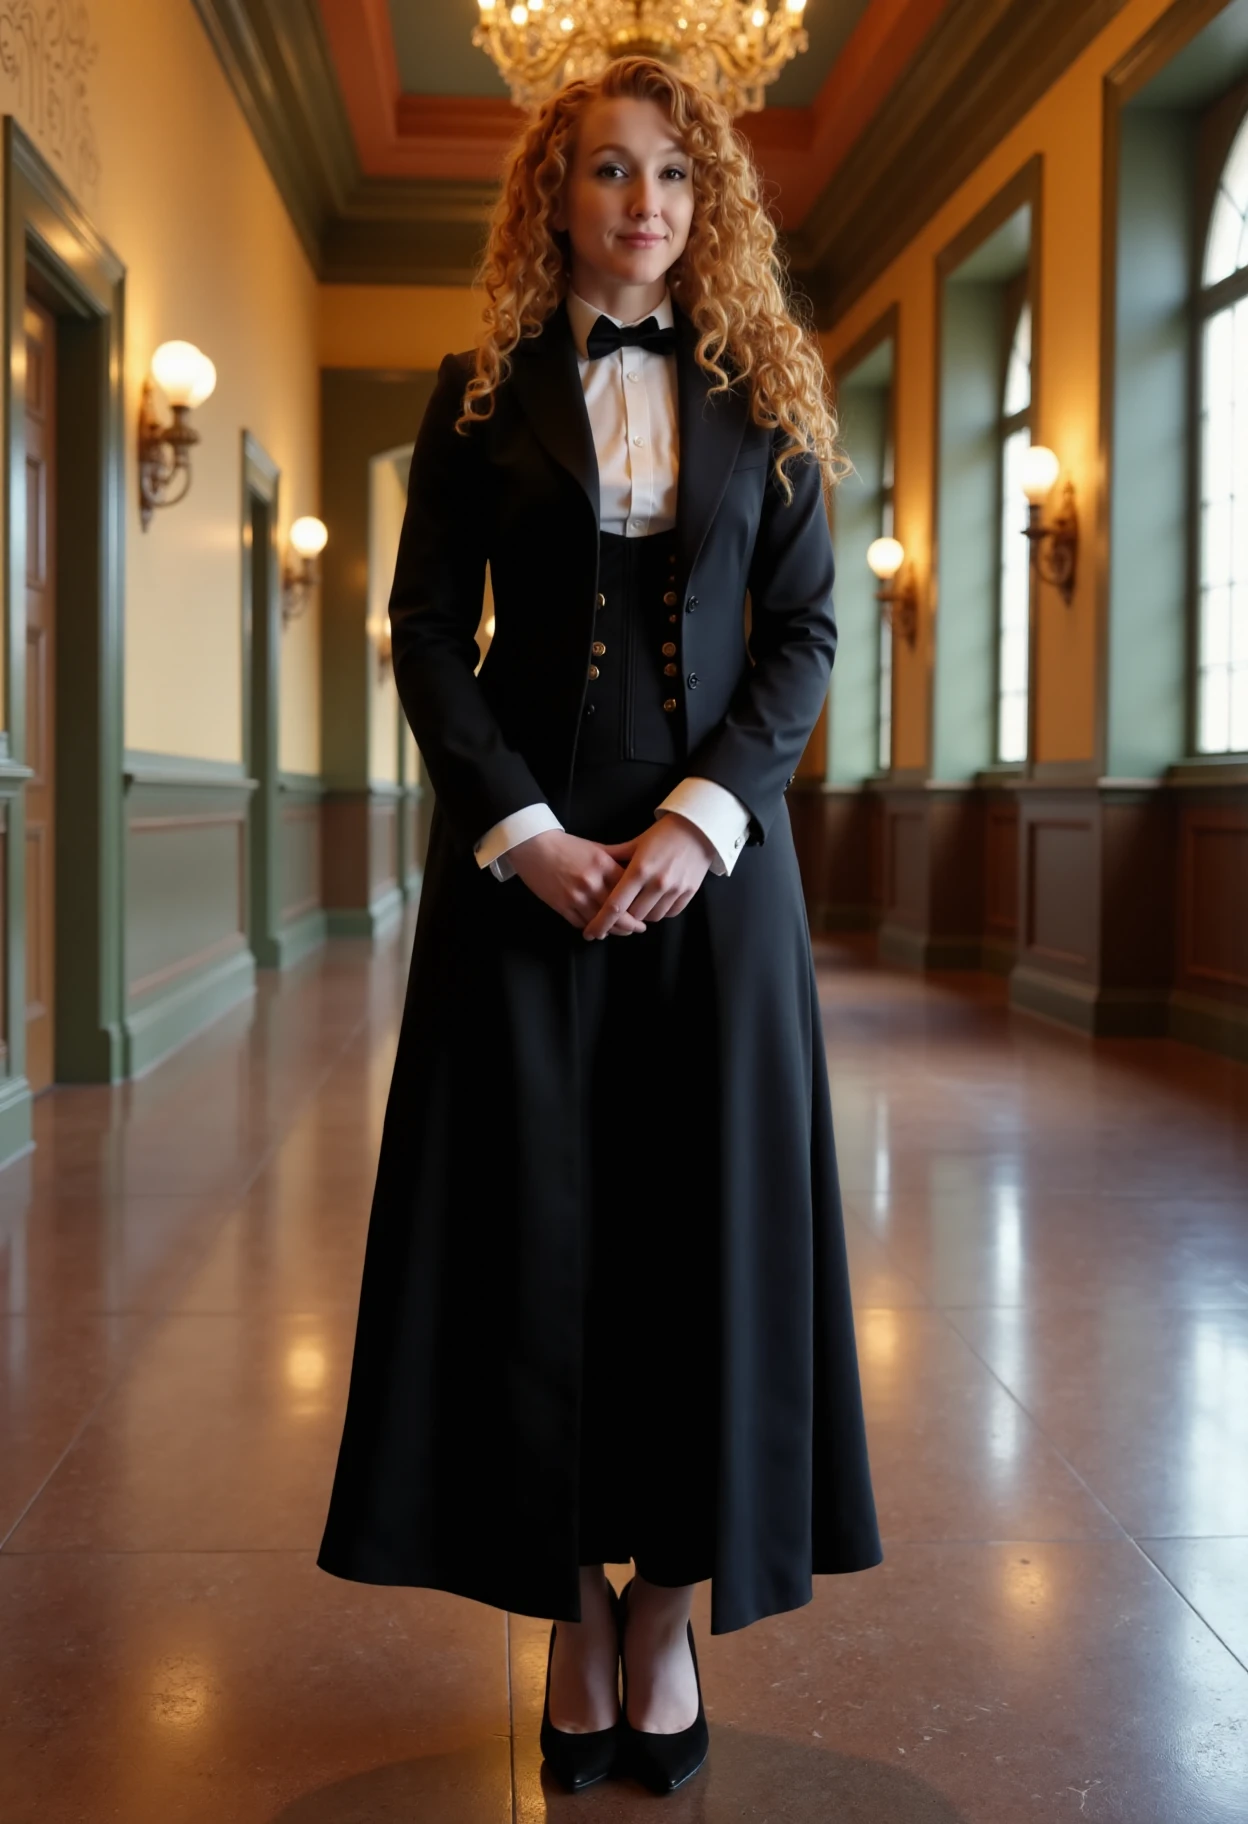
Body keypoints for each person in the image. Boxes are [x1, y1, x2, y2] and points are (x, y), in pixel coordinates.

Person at [317, 53, 882, 1797]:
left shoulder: (769, 399)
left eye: (673, 178)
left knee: (703, 1241)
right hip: (528, 875)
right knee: (527, 1241)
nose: (644, 205)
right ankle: (569, 1608)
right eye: (608, 174)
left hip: (718, 877)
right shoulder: (478, 389)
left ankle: (665, 1612)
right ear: (553, 197)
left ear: (705, 203)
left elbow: (801, 633)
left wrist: (704, 824)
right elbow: (423, 632)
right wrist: (525, 832)